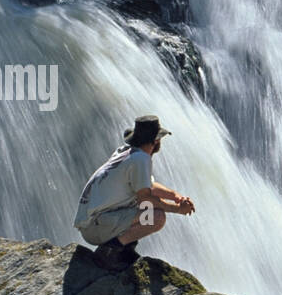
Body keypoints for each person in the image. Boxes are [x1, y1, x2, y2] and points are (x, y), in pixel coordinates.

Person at [74, 114, 195, 270]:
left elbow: (149, 186)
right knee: (155, 217)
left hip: (93, 222)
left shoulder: (127, 153)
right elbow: (146, 198)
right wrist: (177, 209)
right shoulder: (141, 159)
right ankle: (110, 251)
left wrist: (176, 197)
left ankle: (125, 250)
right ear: (155, 141)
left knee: (142, 208)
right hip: (96, 226)